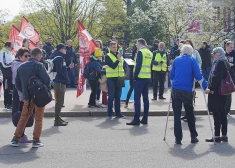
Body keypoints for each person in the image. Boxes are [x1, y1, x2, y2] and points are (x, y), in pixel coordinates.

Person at [10, 48, 51, 148]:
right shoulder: (39, 65)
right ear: (38, 55)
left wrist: (24, 92)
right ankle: (36, 140)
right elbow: (47, 80)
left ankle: (15, 139)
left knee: (24, 117)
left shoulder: (21, 67)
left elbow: (17, 84)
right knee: (39, 118)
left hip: (27, 96)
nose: (41, 57)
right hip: (39, 96)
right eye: (41, 56)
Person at [170, 44, 207, 144]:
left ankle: (178, 138)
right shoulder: (192, 60)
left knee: (176, 115)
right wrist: (205, 86)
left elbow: (171, 75)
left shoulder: (177, 60)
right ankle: (193, 136)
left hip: (176, 90)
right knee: (190, 114)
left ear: (182, 51)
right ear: (191, 52)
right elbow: (198, 76)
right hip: (187, 91)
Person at [205, 47, 230, 143]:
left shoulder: (219, 62)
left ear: (218, 54)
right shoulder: (225, 61)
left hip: (217, 92)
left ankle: (216, 136)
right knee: (223, 113)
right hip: (224, 91)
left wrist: (210, 88)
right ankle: (224, 135)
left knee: (217, 114)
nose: (213, 55)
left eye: (214, 53)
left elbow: (216, 77)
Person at [126, 38, 153, 125]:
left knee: (137, 98)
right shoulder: (149, 52)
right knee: (146, 99)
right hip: (147, 77)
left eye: (137, 44)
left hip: (140, 78)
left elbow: (138, 66)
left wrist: (134, 77)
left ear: (140, 44)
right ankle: (145, 118)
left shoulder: (140, 52)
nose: (136, 46)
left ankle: (136, 119)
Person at [11, 47, 31, 143]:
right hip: (19, 93)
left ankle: (20, 135)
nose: (28, 58)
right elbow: (17, 83)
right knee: (21, 114)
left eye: (29, 56)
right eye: (25, 56)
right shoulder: (18, 66)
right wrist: (21, 96)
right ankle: (19, 136)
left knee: (22, 114)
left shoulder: (19, 64)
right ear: (20, 56)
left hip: (20, 92)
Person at [50, 44, 69, 126]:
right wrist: (65, 79)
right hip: (60, 81)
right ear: (61, 49)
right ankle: (57, 120)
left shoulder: (58, 56)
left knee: (59, 101)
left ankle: (58, 118)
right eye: (65, 48)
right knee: (59, 101)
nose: (66, 50)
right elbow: (59, 71)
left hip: (59, 80)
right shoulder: (59, 57)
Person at [105, 41, 126, 118]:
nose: (115, 49)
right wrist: (118, 59)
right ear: (110, 47)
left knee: (118, 96)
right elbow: (113, 66)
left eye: (116, 47)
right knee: (111, 96)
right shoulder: (107, 56)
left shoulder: (120, 56)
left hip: (119, 78)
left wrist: (125, 72)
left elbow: (124, 65)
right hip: (111, 78)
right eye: (113, 47)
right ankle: (109, 113)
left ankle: (118, 113)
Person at [0, 42, 14, 110]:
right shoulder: (2, 53)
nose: (12, 49)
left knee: (11, 89)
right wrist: (13, 63)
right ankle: (7, 104)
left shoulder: (10, 53)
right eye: (12, 47)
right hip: (6, 74)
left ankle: (10, 103)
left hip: (11, 74)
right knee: (7, 89)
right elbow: (4, 64)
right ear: (7, 46)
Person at [95, 40, 107, 106]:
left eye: (98, 44)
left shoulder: (102, 52)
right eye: (96, 44)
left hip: (101, 70)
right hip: (95, 71)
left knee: (100, 86)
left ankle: (99, 99)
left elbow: (104, 61)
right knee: (96, 86)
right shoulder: (93, 52)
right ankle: (96, 99)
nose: (97, 45)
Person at [225, 41, 235, 115]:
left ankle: (227, 110)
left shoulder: (234, 54)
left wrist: (232, 65)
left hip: (231, 76)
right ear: (226, 47)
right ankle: (224, 109)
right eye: (230, 47)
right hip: (224, 76)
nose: (232, 48)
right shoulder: (223, 54)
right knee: (224, 93)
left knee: (229, 93)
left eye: (232, 47)